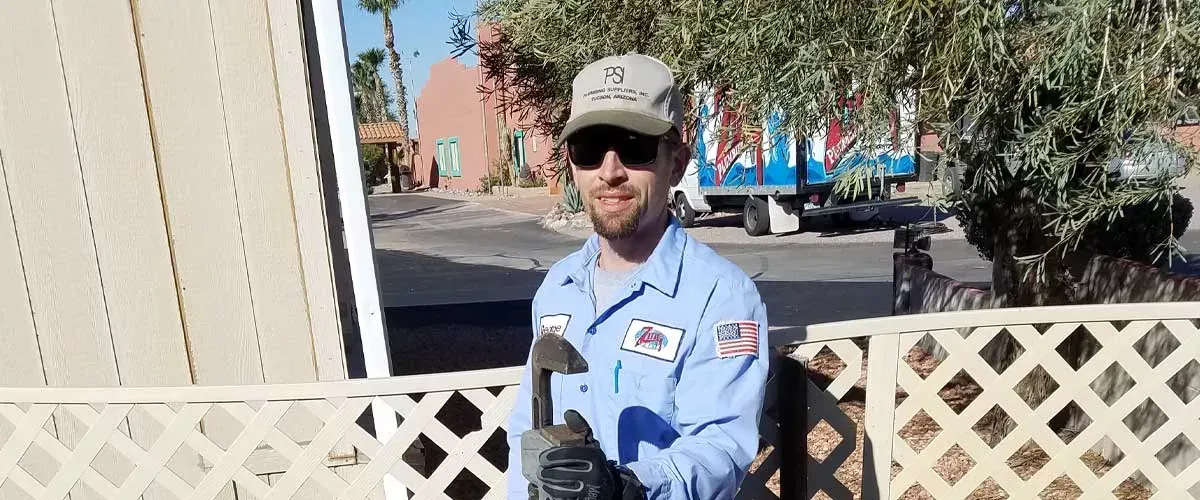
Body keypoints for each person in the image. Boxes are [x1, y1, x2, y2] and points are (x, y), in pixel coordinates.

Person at [505, 53, 770, 500]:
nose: (610, 171)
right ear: (572, 164)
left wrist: (628, 487)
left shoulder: (719, 296)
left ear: (677, 163)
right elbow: (524, 434)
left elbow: (722, 448)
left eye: (635, 146)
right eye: (589, 149)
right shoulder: (557, 287)